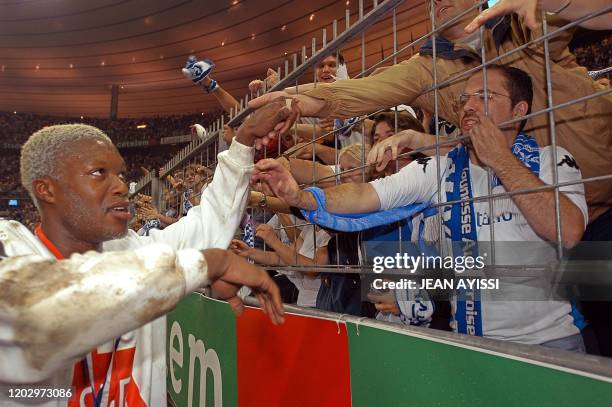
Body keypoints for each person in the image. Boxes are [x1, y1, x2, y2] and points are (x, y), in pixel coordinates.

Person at [254, 65, 589, 350]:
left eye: (484, 97)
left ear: (519, 111)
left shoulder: (550, 161)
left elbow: (568, 230)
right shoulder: (439, 170)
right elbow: (363, 196)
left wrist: (499, 159)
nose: (468, 106)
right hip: (472, 346)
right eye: (464, 99)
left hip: (553, 342)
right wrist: (299, 198)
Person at [0, 99, 293, 403]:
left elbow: (209, 223)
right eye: (99, 173)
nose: (121, 187)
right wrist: (205, 264)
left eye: (121, 175)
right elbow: (38, 310)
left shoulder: (134, 251)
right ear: (46, 189)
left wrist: (243, 142)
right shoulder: (10, 250)